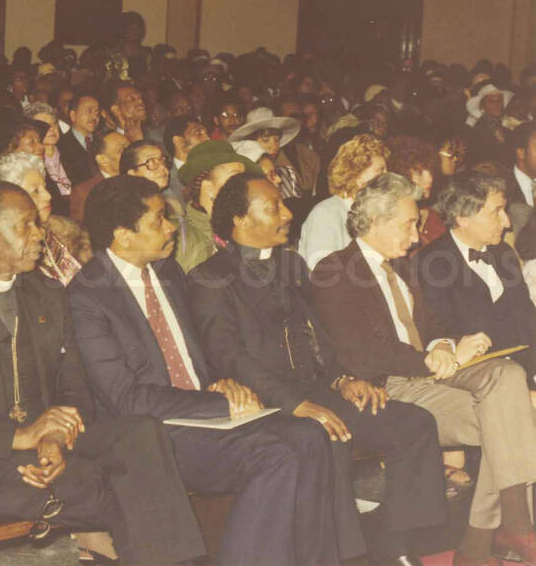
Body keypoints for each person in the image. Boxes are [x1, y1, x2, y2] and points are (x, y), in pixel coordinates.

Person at [0, 180, 207, 566]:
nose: (41, 235)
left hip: (42, 449)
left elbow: (74, 390)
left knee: (141, 434)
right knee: (122, 486)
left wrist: (55, 433)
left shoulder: (47, 292)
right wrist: (20, 437)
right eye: (26, 225)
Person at [68, 175, 339, 566]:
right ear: (123, 235)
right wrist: (213, 403)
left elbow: (192, 353)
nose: (170, 228)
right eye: (159, 220)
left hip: (204, 416)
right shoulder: (88, 295)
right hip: (152, 434)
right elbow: (125, 398)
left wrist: (220, 381)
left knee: (310, 435)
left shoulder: (168, 272)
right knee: (274, 456)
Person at [188, 173, 446, 564]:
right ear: (240, 220)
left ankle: (398, 548)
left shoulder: (290, 264)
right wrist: (296, 404)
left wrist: (343, 379)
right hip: (264, 404)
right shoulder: (210, 278)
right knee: (325, 435)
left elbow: (320, 335)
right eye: (273, 206)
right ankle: (341, 556)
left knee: (414, 424)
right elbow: (229, 358)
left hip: (318, 392)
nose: (287, 213)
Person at [311, 173, 536, 566]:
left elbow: (433, 327)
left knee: (509, 376)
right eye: (409, 223)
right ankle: (490, 540)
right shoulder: (335, 271)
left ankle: (504, 534)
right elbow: (361, 353)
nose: (417, 236)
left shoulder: (404, 267)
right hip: (390, 383)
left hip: (429, 372)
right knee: (512, 421)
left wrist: (447, 345)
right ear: (377, 222)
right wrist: (427, 358)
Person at [414, 171, 536, 388]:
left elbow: (527, 317)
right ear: (463, 218)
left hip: (524, 365)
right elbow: (452, 331)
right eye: (495, 212)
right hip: (481, 373)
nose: (506, 222)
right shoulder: (432, 262)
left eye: (504, 209)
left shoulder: (503, 252)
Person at [0, 152, 90, 285]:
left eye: (44, 187)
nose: (48, 196)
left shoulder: (65, 234)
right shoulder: (7, 256)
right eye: (35, 191)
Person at [299, 134, 389, 271]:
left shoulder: (371, 212)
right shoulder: (326, 213)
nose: (387, 178)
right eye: (380, 171)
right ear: (357, 175)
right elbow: (322, 272)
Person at [174, 140, 255, 273]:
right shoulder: (181, 236)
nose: (244, 184)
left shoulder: (242, 224)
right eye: (235, 177)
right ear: (208, 188)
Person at [387, 135, 441, 246]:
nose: (430, 179)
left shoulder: (434, 219)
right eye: (420, 172)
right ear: (401, 173)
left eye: (431, 171)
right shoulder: (388, 219)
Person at [69, 130, 129, 224]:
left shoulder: (139, 178)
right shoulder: (85, 192)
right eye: (122, 150)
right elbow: (81, 233)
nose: (130, 153)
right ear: (102, 160)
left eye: (130, 147)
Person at [25, 102, 73, 217]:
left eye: (54, 123)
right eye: (45, 125)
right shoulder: (29, 163)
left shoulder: (72, 154)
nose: (52, 129)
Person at [163, 115, 210, 205]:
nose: (208, 138)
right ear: (178, 141)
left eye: (206, 133)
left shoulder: (211, 169)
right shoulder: (167, 180)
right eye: (198, 133)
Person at [58, 91, 101, 185]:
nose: (95, 116)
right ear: (73, 115)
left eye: (96, 111)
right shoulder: (61, 146)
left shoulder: (103, 141)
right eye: (89, 111)